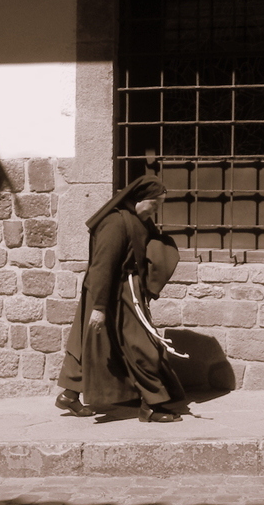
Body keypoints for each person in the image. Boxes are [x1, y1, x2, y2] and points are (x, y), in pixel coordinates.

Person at [55, 174, 185, 422]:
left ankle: (69, 396)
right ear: (141, 198)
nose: (156, 210)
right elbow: (102, 267)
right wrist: (100, 307)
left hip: (126, 291)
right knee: (142, 345)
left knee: (98, 344)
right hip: (110, 293)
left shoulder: (139, 221)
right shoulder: (115, 223)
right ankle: (152, 404)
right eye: (155, 204)